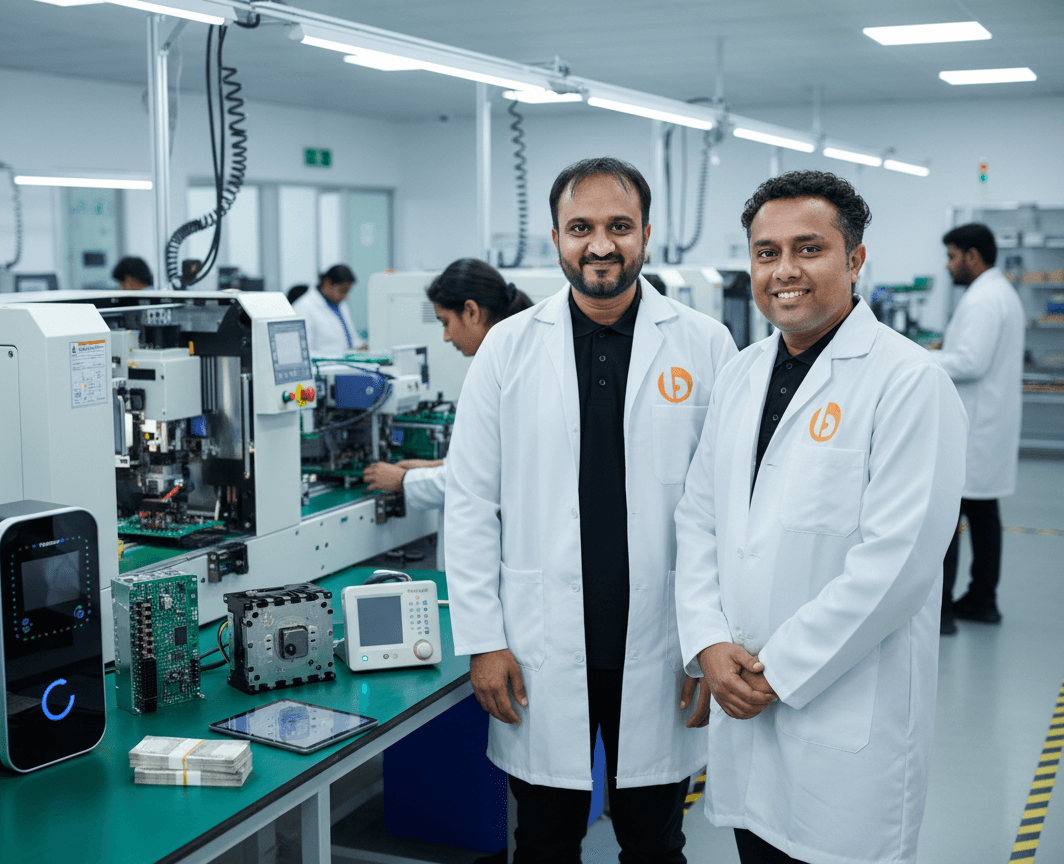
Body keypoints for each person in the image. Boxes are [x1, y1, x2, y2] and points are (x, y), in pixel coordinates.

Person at [445, 157, 737, 863]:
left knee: (656, 841)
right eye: (582, 228)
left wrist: (709, 642)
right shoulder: (508, 350)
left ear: (646, 235)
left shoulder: (705, 345)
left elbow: (730, 511)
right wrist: (484, 640)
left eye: (618, 227)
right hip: (541, 647)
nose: (600, 245)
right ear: (555, 239)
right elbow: (469, 500)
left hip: (663, 640)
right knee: (543, 842)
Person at [674, 171, 967, 864]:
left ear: (855, 259)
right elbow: (698, 519)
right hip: (742, 698)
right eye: (766, 252)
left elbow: (896, 564)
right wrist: (708, 642)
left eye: (809, 248)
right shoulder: (741, 375)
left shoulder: (908, 382)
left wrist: (776, 672)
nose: (784, 271)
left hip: (840, 715)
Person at [362, 258, 533, 514]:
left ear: (471, 312)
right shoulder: (510, 361)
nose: (446, 336)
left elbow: (485, 481)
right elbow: (491, 459)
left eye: (445, 322)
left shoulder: (513, 375)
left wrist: (403, 481)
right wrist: (437, 466)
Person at [931, 223, 1025, 634]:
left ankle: (943, 609)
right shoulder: (999, 292)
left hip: (977, 427)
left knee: (949, 518)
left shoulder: (984, 298)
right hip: (989, 424)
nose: (949, 265)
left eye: (952, 256)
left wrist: (917, 357)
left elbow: (970, 362)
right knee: (984, 517)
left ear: (972, 255)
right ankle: (982, 599)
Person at [292, 264, 367, 355]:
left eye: (347, 291)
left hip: (348, 363)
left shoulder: (341, 305)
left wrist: (361, 347)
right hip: (325, 366)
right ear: (327, 283)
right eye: (343, 291)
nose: (345, 296)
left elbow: (352, 340)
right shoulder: (304, 307)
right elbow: (304, 351)